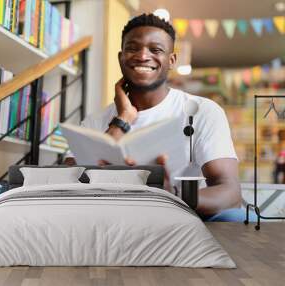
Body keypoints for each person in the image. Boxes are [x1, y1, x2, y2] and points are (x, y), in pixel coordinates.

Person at [65, 13, 254, 222]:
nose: (143, 56)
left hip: (187, 217)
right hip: (118, 219)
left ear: (171, 60)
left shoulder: (202, 111)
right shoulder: (96, 121)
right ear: (121, 57)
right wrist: (122, 119)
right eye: (132, 48)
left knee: (236, 218)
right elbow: (73, 184)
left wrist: (169, 197)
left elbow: (230, 193)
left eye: (155, 50)